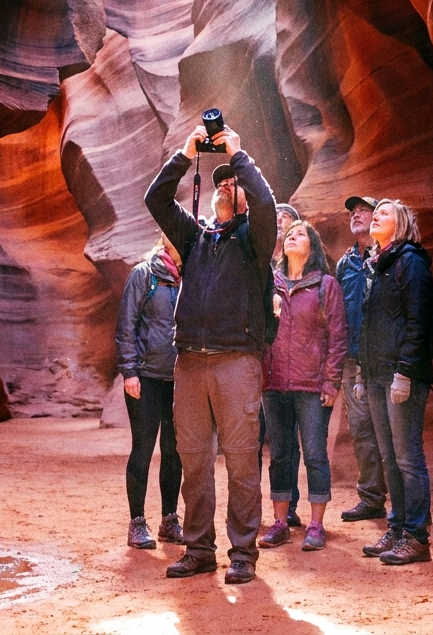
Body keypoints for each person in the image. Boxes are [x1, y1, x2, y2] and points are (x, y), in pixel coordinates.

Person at [145, 121, 277, 585]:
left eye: (231, 183)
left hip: (237, 360)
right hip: (190, 363)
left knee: (242, 461)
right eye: (218, 181)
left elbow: (266, 205)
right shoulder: (194, 237)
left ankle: (243, 555)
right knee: (194, 460)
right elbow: (155, 201)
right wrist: (184, 156)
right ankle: (199, 549)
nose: (224, 186)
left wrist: (240, 157)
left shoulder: (255, 241)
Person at [257, 220, 346, 552]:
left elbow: (338, 338)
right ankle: (280, 523)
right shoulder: (271, 284)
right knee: (280, 455)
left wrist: (331, 381)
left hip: (311, 386)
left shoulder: (326, 286)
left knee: (314, 455)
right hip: (274, 382)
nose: (292, 237)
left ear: (314, 247)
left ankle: (316, 525)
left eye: (301, 234)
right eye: (289, 233)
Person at [356, 199, 433, 565]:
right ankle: (398, 527)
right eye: (377, 213)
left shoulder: (411, 262)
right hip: (375, 375)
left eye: (384, 213)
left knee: (407, 459)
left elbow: (418, 323)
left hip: (400, 375)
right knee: (389, 458)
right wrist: (361, 372)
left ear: (401, 223)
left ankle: (417, 537)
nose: (376, 216)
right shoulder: (376, 266)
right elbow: (370, 326)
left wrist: (404, 373)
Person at [115, 235, 185, 550]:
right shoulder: (144, 274)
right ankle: (137, 523)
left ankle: (169, 520)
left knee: (174, 452)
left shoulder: (191, 278)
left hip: (181, 379)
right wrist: (129, 372)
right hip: (146, 376)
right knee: (143, 450)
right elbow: (126, 326)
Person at [336, 196, 388, 522]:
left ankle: (404, 505)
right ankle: (371, 498)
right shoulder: (345, 263)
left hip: (381, 361)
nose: (356, 214)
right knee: (361, 432)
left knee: (389, 432)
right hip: (352, 361)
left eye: (363, 210)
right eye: (353, 212)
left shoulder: (388, 257)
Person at [265, 203, 303, 527]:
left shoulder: (298, 269)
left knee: (286, 443)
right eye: (275, 218)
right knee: (253, 443)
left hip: (287, 371)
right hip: (259, 367)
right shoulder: (259, 257)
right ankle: (251, 506)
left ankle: (288, 506)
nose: (279, 223)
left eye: (286, 219)